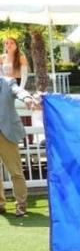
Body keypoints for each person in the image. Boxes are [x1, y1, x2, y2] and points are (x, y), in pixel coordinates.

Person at [0, 76, 37, 217]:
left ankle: (21, 205)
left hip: (7, 133)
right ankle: (0, 204)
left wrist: (27, 98)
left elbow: (19, 91)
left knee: (15, 172)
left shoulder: (8, 82)